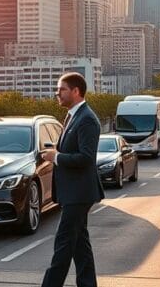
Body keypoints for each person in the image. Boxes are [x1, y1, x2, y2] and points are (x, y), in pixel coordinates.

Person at [40, 73, 105, 287]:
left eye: (62, 89)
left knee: (63, 243)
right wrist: (55, 152)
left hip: (79, 194)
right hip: (74, 192)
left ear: (76, 91)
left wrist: (56, 157)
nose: (57, 93)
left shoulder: (87, 119)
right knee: (79, 245)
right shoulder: (73, 115)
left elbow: (86, 158)